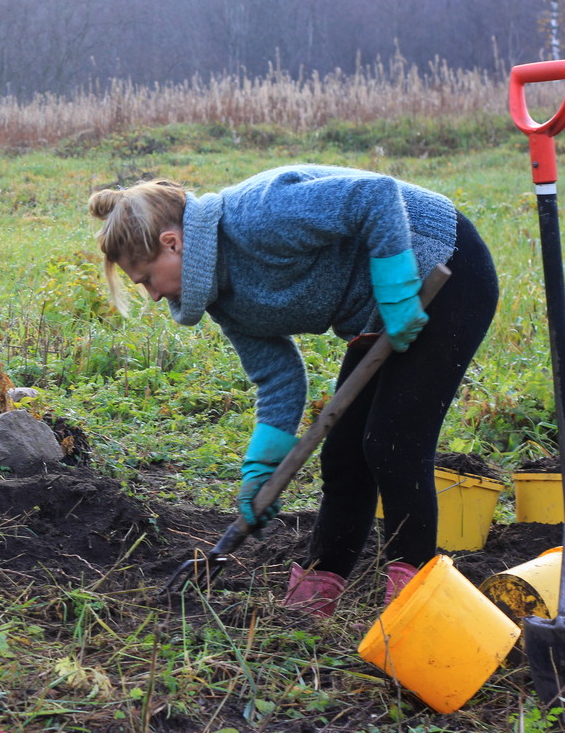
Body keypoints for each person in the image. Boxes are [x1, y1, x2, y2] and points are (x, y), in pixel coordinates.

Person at [89, 165, 498, 617]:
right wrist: (261, 471)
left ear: (172, 243)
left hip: (444, 266)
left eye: (145, 278)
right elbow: (278, 378)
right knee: (343, 457)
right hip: (383, 310)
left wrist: (398, 291)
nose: (150, 295)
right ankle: (315, 594)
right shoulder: (221, 297)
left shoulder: (259, 216)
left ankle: (414, 604)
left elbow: (375, 196)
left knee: (392, 444)